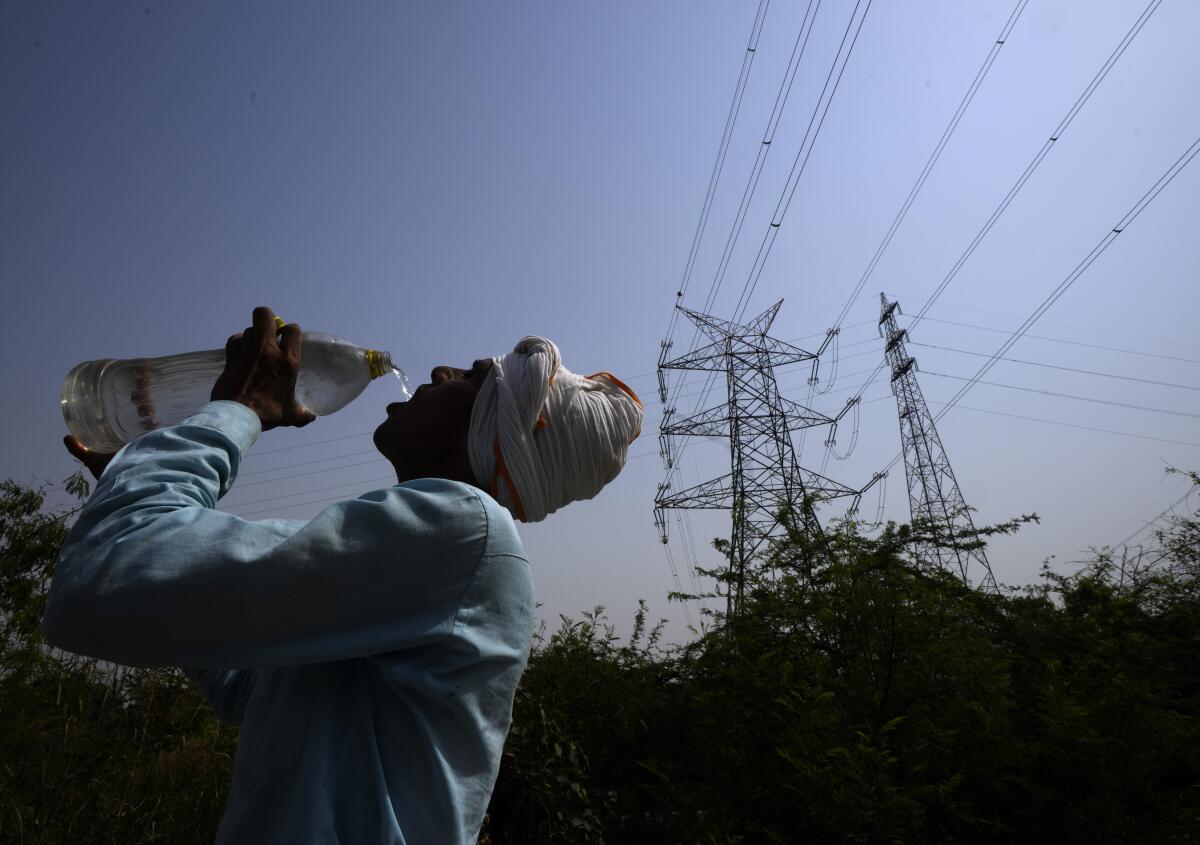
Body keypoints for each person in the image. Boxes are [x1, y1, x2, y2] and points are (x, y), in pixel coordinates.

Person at [43, 306, 643, 844]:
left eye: (470, 376)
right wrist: (145, 501)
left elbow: (100, 580)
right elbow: (250, 687)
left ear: (492, 430)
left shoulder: (466, 529)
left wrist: (236, 410)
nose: (439, 371)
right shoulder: (425, 560)